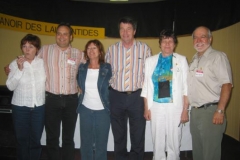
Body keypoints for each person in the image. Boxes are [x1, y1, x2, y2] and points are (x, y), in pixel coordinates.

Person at [105, 16, 151, 160]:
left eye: (129, 29)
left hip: (137, 97)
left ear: (134, 31)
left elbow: (148, 76)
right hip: (116, 97)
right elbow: (106, 73)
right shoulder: (111, 50)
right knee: (118, 135)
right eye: (122, 29)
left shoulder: (144, 49)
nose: (125, 32)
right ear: (119, 31)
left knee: (137, 135)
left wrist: (146, 103)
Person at [37, 23, 84, 160]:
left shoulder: (78, 53)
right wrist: (13, 66)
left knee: (68, 138)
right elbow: (30, 62)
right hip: (51, 99)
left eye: (65, 34)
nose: (61, 36)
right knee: (52, 138)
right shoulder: (45, 50)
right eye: (59, 33)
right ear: (56, 35)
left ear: (71, 36)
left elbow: (91, 68)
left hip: (71, 100)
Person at [141, 29, 189, 160]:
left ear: (175, 44)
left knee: (174, 140)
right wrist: (146, 108)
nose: (167, 44)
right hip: (156, 106)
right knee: (157, 140)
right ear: (160, 43)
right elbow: (146, 86)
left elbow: (186, 87)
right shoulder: (150, 61)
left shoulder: (182, 60)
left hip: (175, 107)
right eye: (164, 41)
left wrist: (185, 110)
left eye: (170, 41)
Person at [188, 26, 233, 160]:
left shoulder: (218, 57)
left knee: (210, 155)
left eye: (203, 36)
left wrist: (220, 110)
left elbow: (227, 84)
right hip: (195, 112)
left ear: (210, 39)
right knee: (198, 153)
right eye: (195, 37)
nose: (198, 40)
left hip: (210, 111)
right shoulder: (194, 59)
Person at [6, 34, 46, 160]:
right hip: (20, 108)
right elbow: (10, 86)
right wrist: (19, 69)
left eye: (31, 46)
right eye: (24, 46)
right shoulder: (14, 63)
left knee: (35, 141)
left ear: (37, 49)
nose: (27, 49)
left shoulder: (42, 63)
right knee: (22, 141)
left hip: (38, 108)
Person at [77, 39, 112, 160]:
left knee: (101, 144)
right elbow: (77, 82)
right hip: (85, 109)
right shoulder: (82, 68)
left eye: (94, 48)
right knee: (85, 143)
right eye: (89, 48)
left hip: (103, 110)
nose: (91, 51)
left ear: (100, 51)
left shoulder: (107, 68)